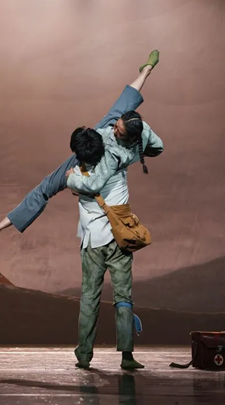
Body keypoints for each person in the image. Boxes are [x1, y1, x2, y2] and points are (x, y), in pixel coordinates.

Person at [0, 50, 160, 249]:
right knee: (123, 105)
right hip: (113, 172)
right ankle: (147, 69)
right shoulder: (109, 128)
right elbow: (129, 98)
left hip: (105, 213)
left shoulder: (94, 158)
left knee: (47, 187)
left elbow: (47, 191)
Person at [65, 107, 163, 370]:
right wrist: (139, 125)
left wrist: (70, 179)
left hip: (92, 242)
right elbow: (157, 146)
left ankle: (84, 354)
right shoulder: (121, 157)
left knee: (89, 297)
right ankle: (127, 355)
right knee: (123, 297)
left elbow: (89, 185)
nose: (112, 131)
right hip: (120, 239)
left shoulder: (80, 175)